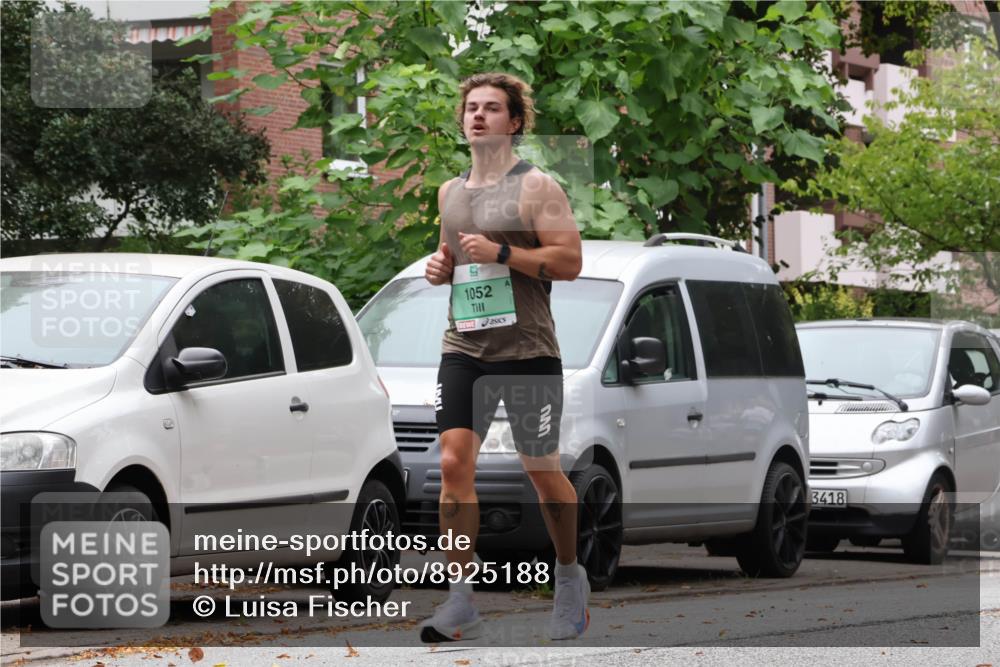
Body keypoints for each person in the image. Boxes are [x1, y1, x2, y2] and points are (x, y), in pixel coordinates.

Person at [418, 72, 587, 643]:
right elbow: (453, 261)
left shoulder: (537, 186)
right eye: (471, 107)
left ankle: (569, 578)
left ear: (514, 122)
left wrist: (504, 252)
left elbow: (568, 262)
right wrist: (440, 269)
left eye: (491, 108)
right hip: (464, 346)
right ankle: (460, 599)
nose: (478, 115)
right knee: (452, 464)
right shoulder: (450, 191)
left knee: (540, 470)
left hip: (527, 350)